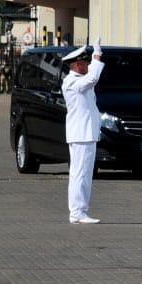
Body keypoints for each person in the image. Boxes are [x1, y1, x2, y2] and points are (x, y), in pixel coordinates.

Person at [62, 41, 105, 224]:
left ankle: (81, 210)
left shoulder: (79, 80)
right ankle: (77, 212)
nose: (88, 66)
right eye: (85, 63)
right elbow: (93, 79)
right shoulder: (72, 81)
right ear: (77, 65)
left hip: (86, 134)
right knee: (80, 174)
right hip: (81, 134)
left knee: (84, 174)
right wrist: (96, 56)